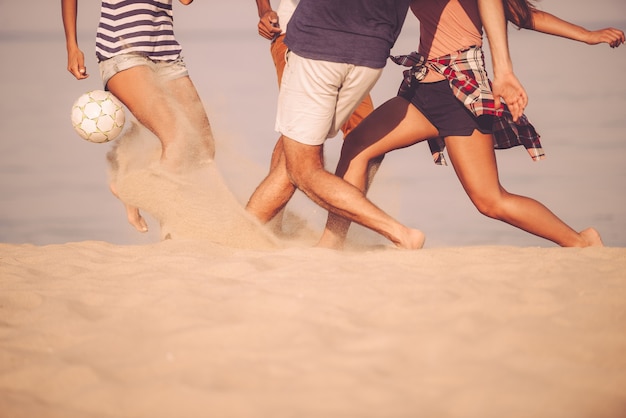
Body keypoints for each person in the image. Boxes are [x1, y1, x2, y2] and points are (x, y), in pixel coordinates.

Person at [317, 0, 623, 249]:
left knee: (490, 201)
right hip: (423, 85)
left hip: (459, 89)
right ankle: (332, 245)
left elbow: (519, 13)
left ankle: (581, 241)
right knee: (358, 145)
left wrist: (587, 35)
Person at [245, 0, 529, 249]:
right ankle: (260, 234)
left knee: (303, 167)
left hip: (319, 43)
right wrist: (504, 68)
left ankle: (399, 233)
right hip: (370, 55)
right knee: (306, 148)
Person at [62, 0, 215, 233]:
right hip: (122, 51)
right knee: (178, 138)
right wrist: (72, 45)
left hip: (167, 54)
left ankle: (133, 183)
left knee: (203, 147)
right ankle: (171, 227)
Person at [252, 0, 375, 233]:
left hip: (351, 42)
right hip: (298, 36)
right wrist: (264, 10)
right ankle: (267, 226)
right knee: (299, 131)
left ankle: (335, 235)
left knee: (366, 134)